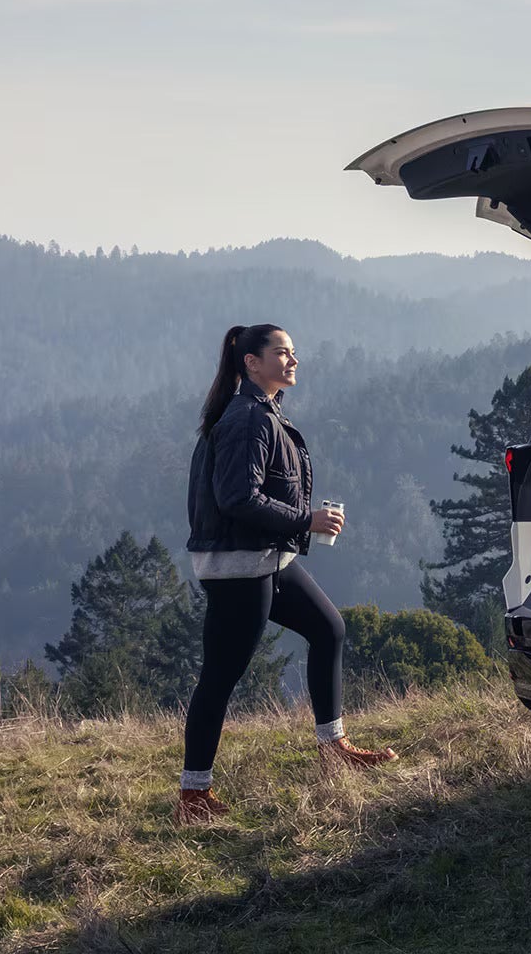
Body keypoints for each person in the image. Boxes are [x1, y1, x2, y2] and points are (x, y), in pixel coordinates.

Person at [174, 324, 397, 824]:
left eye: (294, 352)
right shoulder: (247, 418)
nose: (293, 360)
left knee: (328, 628)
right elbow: (238, 498)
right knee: (220, 678)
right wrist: (306, 520)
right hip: (239, 567)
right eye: (282, 352)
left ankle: (333, 749)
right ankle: (192, 797)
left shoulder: (264, 412)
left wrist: (301, 522)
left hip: (268, 557)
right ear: (252, 362)